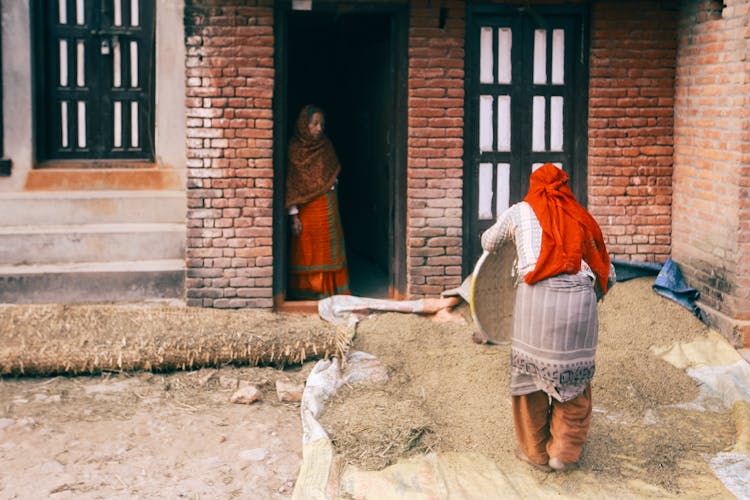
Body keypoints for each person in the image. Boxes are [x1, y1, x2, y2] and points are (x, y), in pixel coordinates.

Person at [480, 163, 616, 472]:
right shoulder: (580, 216)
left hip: (536, 300)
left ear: (533, 186)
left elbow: (488, 241)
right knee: (575, 380)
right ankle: (562, 455)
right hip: (580, 301)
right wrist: (589, 302)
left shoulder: (520, 210)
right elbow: (609, 272)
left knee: (530, 381)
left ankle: (535, 453)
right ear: (565, 187)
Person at [285, 105, 351, 299]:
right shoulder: (294, 149)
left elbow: (332, 176)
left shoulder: (326, 146)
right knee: (307, 249)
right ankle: (308, 291)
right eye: (315, 124)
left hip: (327, 207)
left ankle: (329, 291)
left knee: (328, 250)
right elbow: (291, 184)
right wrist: (293, 216)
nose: (319, 128)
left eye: (322, 124)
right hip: (306, 210)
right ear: (304, 125)